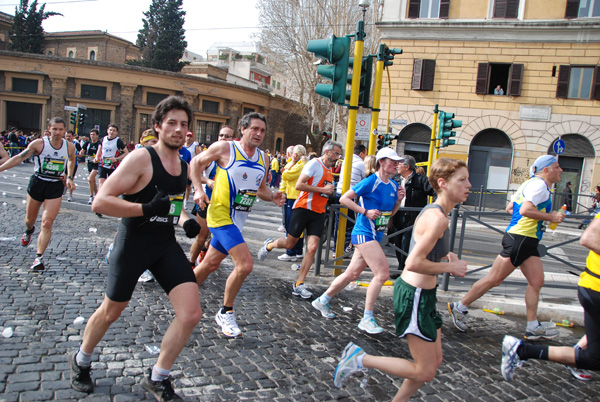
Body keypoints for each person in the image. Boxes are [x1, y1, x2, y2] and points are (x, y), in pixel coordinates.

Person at [68, 96, 202, 400]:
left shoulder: (183, 165)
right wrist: (144, 209)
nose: (178, 129)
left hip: (164, 243)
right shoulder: (141, 158)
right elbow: (100, 201)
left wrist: (184, 221)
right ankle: (81, 360)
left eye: (183, 124)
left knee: (191, 313)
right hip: (133, 243)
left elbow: (170, 207)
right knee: (111, 311)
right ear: (157, 127)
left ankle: (158, 377)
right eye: (171, 123)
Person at [333, 158, 470, 400]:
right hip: (414, 295)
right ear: (443, 183)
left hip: (425, 295)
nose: (469, 184)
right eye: (462, 180)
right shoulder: (438, 217)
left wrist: (446, 255)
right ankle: (359, 359)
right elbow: (414, 262)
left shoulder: (437, 211)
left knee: (433, 361)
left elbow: (424, 247)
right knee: (425, 370)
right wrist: (450, 267)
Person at [448, 154, 566, 339]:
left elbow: (511, 207)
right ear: (547, 170)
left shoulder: (529, 184)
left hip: (525, 239)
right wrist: (550, 217)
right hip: (521, 239)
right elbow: (525, 209)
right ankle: (459, 306)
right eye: (557, 167)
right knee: (494, 279)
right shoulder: (540, 186)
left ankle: (532, 326)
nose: (561, 170)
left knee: (537, 282)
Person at [190, 112, 285, 337]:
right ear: (242, 129)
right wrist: (198, 189)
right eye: (254, 129)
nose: (259, 134)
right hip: (219, 216)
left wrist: (272, 196)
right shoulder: (226, 148)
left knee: (210, 264)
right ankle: (226, 311)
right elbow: (195, 162)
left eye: (262, 130)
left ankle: (182, 293)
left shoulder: (263, 158)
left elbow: (260, 189)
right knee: (245, 265)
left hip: (237, 221)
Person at [312, 148, 405, 334]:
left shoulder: (394, 186)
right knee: (382, 274)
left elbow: (389, 215)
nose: (397, 164)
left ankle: (322, 300)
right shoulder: (371, 181)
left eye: (398, 161)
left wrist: (398, 202)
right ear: (381, 162)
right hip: (363, 233)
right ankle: (367, 318)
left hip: (376, 234)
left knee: (351, 274)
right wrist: (365, 212)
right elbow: (345, 198)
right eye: (393, 161)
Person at [501, 209, 600, 382]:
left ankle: (569, 356)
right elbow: (588, 238)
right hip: (595, 288)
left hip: (592, 286)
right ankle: (522, 349)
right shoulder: (537, 187)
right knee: (595, 358)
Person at [257, 140, 342, 299]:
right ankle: (269, 244)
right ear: (326, 152)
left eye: (339, 154)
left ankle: (299, 284)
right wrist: (322, 189)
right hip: (303, 208)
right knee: (290, 243)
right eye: (336, 153)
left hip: (318, 212)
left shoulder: (331, 170)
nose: (338, 157)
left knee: (312, 247)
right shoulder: (314, 164)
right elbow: (299, 185)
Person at [0, 117, 76, 271]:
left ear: (65, 130)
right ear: (49, 129)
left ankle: (38, 258)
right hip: (38, 183)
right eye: (55, 129)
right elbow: (19, 157)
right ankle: (29, 230)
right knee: (30, 219)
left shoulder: (69, 147)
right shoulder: (39, 144)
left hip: (55, 185)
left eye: (61, 129)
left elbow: (71, 160)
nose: (58, 132)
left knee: (47, 222)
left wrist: (69, 177)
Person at [189, 125, 234, 267]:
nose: (223, 138)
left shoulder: (236, 158)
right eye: (221, 135)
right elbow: (192, 172)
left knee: (219, 239)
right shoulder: (211, 156)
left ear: (233, 139)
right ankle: (190, 265)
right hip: (207, 201)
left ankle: (205, 250)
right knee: (201, 237)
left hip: (225, 205)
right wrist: (206, 181)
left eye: (227, 136)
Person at [391, 155, 436, 271]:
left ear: (407, 167)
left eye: (399, 164)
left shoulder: (421, 180)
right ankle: (402, 266)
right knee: (397, 242)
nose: (397, 166)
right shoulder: (395, 179)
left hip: (412, 217)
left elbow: (435, 192)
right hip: (397, 215)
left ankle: (403, 268)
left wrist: (432, 208)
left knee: (406, 243)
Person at [276, 144, 308, 262]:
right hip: (292, 195)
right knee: (295, 225)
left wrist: (286, 170)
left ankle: (291, 252)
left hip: (295, 196)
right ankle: (298, 250)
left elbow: (286, 175)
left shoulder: (301, 165)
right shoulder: (297, 164)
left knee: (291, 225)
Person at [334, 144, 367, 255]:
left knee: (339, 223)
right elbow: (364, 179)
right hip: (350, 196)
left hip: (340, 192)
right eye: (365, 154)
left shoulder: (346, 160)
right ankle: (344, 249)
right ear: (361, 153)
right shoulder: (361, 164)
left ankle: (336, 248)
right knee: (350, 224)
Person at [94, 124, 129, 191]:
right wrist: (97, 156)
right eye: (110, 130)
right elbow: (100, 147)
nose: (112, 132)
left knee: (111, 186)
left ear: (116, 133)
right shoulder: (104, 139)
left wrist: (116, 159)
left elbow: (126, 153)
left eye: (114, 131)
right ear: (107, 131)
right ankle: (101, 200)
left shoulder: (118, 141)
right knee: (101, 184)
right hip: (102, 164)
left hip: (113, 166)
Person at [81, 129, 101, 205]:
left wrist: (97, 158)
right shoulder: (87, 143)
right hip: (89, 163)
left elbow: (100, 153)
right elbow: (82, 151)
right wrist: (81, 152)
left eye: (93, 134)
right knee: (92, 181)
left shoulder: (99, 144)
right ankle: (97, 195)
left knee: (90, 178)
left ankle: (91, 196)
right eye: (91, 134)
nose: (92, 136)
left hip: (97, 164)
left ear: (97, 135)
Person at [183, 131, 200, 209]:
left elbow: (200, 156)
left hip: (191, 169)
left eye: (190, 136)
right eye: (187, 136)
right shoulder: (182, 146)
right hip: (182, 168)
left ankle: (185, 201)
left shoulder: (194, 146)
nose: (188, 138)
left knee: (188, 186)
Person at [64, 130, 82, 202]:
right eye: (66, 136)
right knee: (63, 178)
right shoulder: (62, 143)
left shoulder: (76, 144)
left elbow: (82, 153)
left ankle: (70, 195)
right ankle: (64, 187)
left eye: (69, 136)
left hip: (73, 164)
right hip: (63, 163)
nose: (68, 138)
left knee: (70, 179)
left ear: (73, 137)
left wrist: (76, 156)